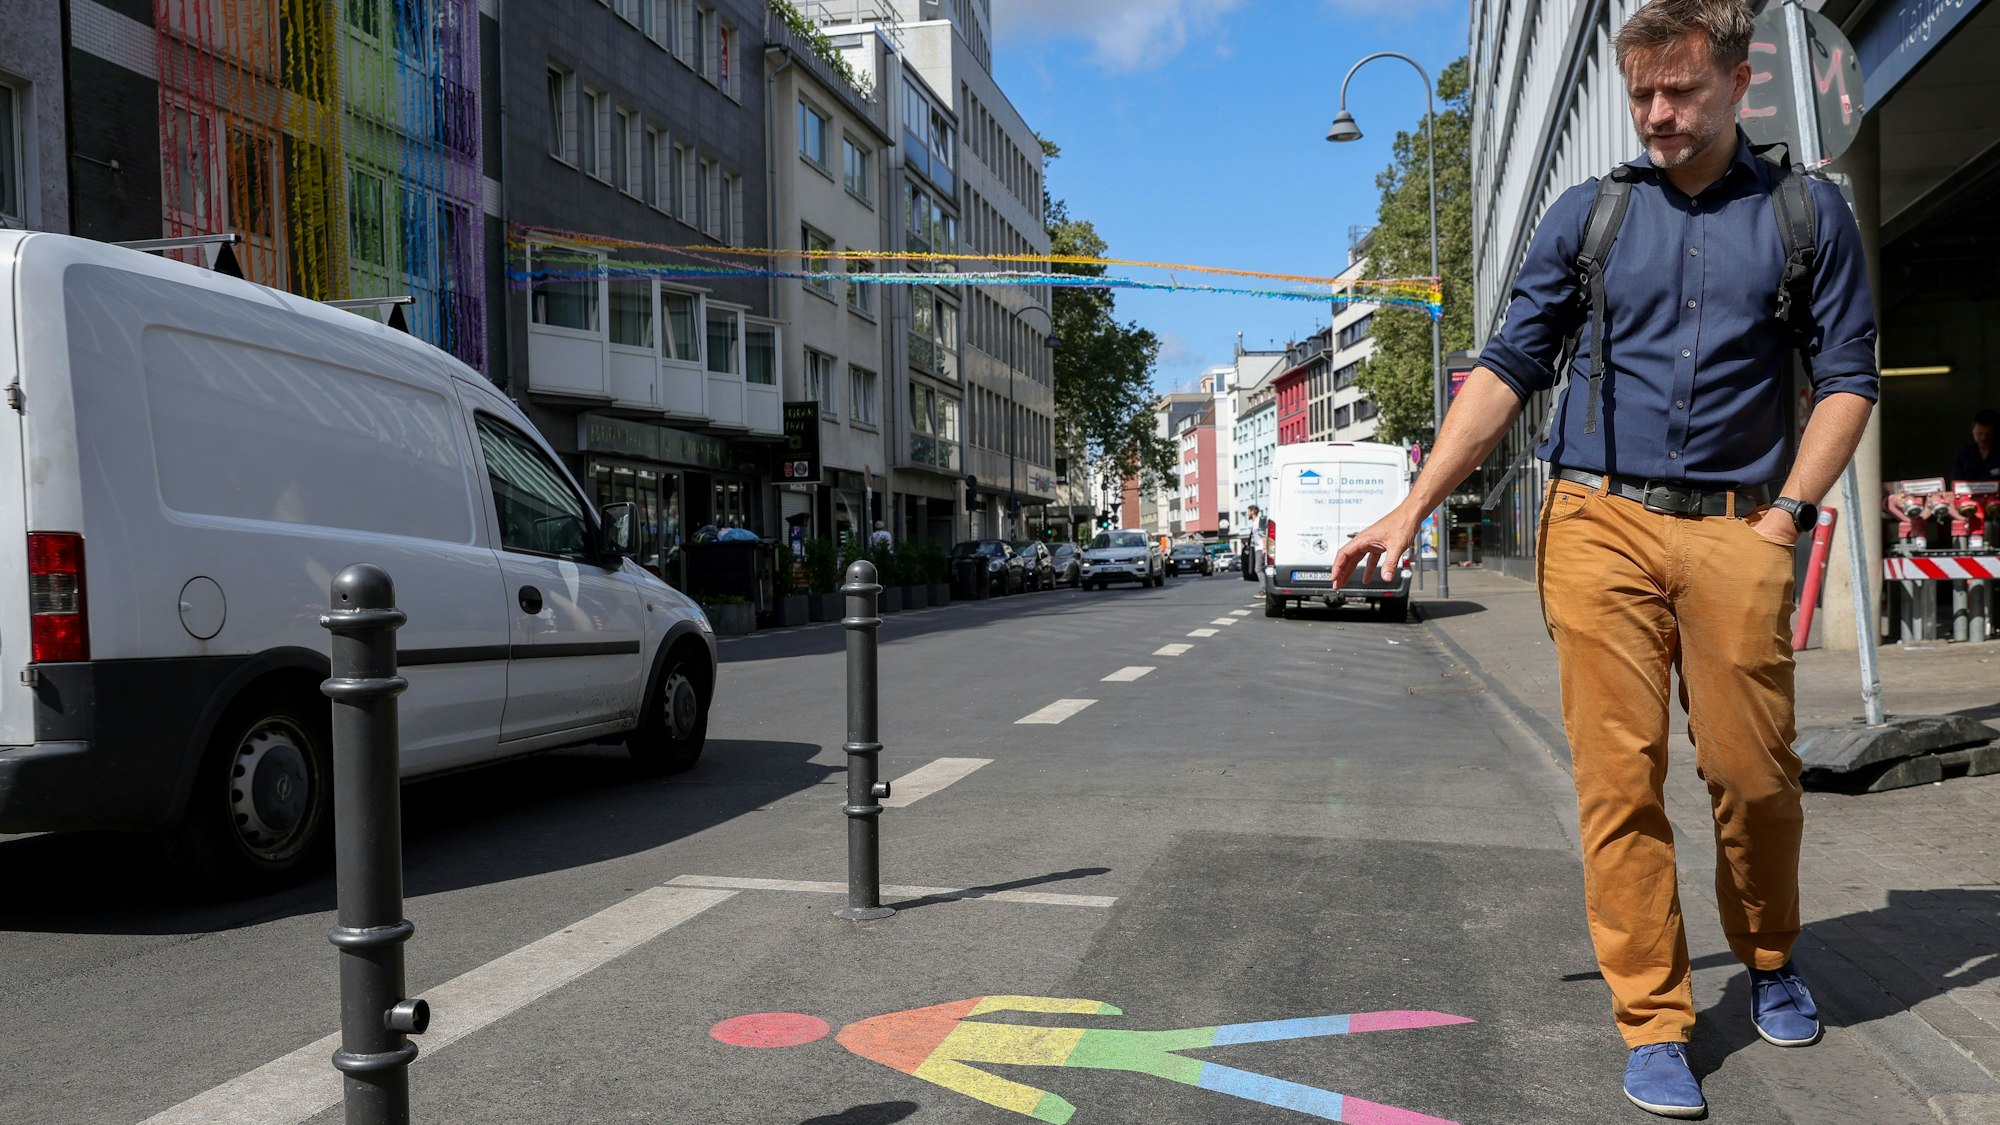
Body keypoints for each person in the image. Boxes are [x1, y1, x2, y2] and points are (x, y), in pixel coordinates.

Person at [1332, 0, 1877, 1116]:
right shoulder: (1588, 215)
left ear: (1735, 80)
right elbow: (1503, 369)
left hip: (1738, 523)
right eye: (1639, 96)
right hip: (1597, 521)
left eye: (1678, 92)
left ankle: (1770, 955)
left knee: (1753, 778)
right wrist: (1412, 508)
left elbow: (1847, 383)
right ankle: (1653, 1017)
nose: (1656, 115)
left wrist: (1784, 518)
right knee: (1617, 780)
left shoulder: (1804, 214)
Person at [711, 997, 1472, 1124]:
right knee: (1232, 1048)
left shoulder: (882, 1035)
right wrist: (1086, 1015)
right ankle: (1400, 1032)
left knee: (1229, 1055)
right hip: (1105, 1050)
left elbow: (970, 1064)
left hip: (1102, 1056)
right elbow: (996, 1007)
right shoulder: (887, 1029)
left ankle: (1388, 1086)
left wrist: (1046, 1105)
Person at [1949, 409, 2000, 483]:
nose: (1983, 438)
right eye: (1979, 434)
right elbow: (1956, 483)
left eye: (1988, 434)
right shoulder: (1963, 455)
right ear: (1973, 431)